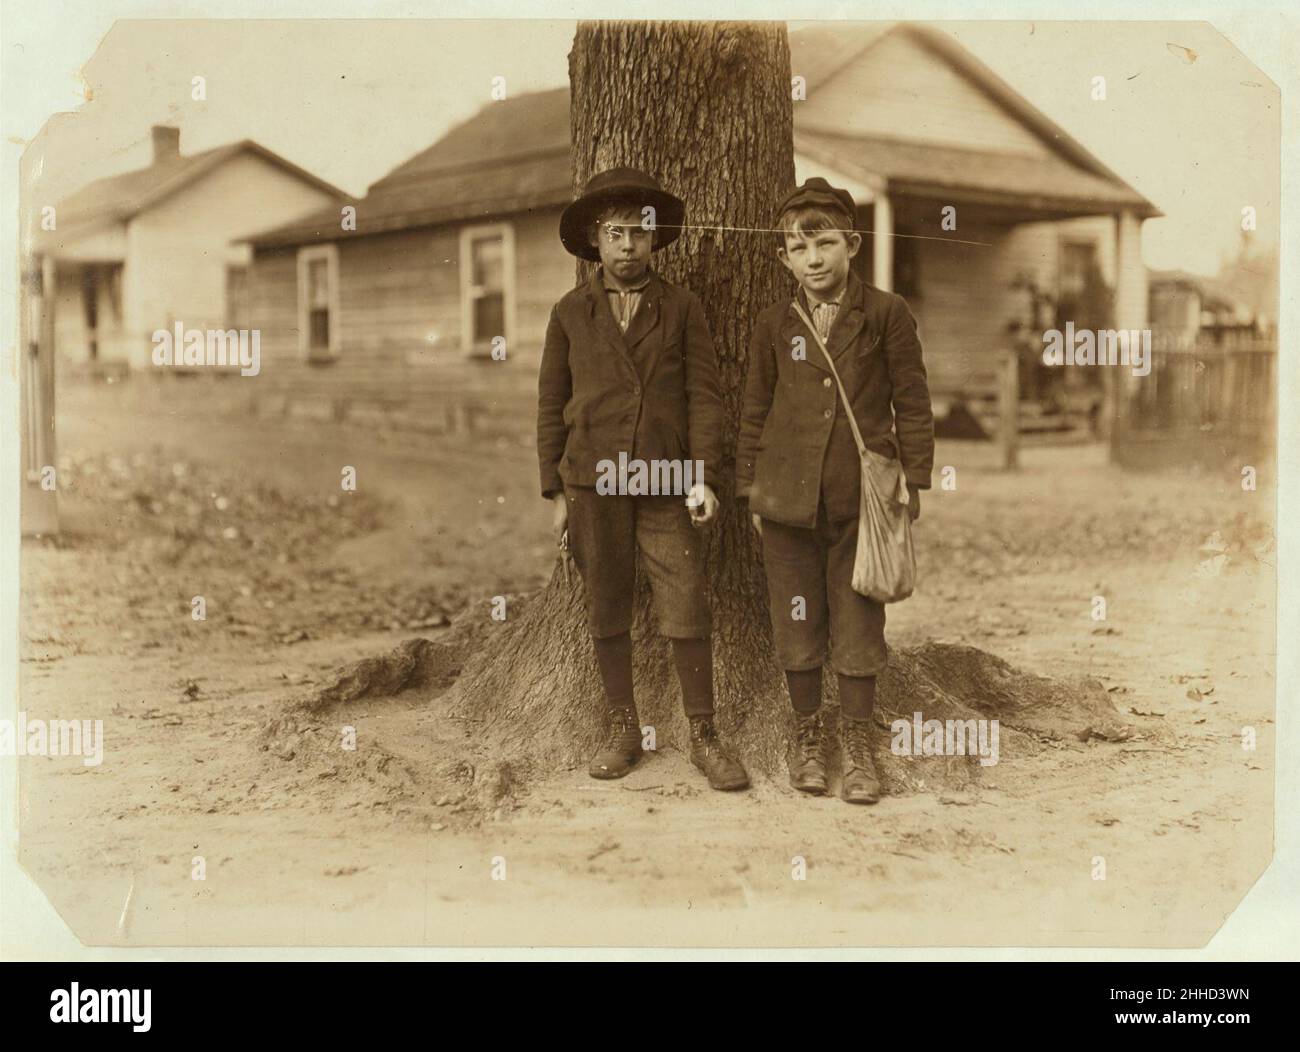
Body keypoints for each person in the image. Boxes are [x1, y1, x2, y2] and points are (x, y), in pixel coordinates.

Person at [537, 166, 749, 791]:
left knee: (685, 598)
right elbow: (552, 403)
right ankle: (621, 728)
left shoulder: (681, 309)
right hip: (592, 480)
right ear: (594, 243)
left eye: (639, 232)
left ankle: (704, 733)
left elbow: (706, 397)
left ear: (655, 240)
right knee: (606, 600)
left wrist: (704, 477)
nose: (627, 245)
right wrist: (555, 493)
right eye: (614, 234)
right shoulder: (569, 313)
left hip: (665, 476)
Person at [737, 177, 934, 804]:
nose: (813, 259)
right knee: (795, 619)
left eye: (823, 243)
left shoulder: (885, 313)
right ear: (783, 258)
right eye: (798, 248)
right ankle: (808, 740)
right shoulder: (776, 323)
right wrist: (747, 484)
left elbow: (913, 401)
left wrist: (916, 480)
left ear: (852, 243)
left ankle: (857, 747)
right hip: (787, 500)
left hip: (861, 502)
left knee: (856, 620)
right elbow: (755, 407)